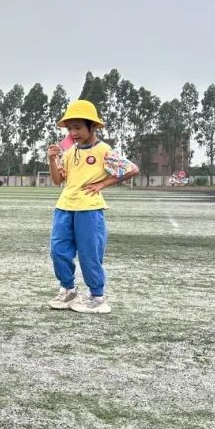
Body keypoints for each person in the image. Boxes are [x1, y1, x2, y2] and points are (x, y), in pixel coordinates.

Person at [46, 100, 139, 314]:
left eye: (78, 127)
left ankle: (97, 297)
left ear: (92, 126)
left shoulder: (103, 150)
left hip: (89, 208)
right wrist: (52, 160)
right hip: (64, 207)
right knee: (58, 250)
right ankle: (69, 290)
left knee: (90, 254)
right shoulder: (69, 152)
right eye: (70, 128)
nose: (73, 133)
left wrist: (102, 184)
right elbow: (57, 180)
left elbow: (132, 169)